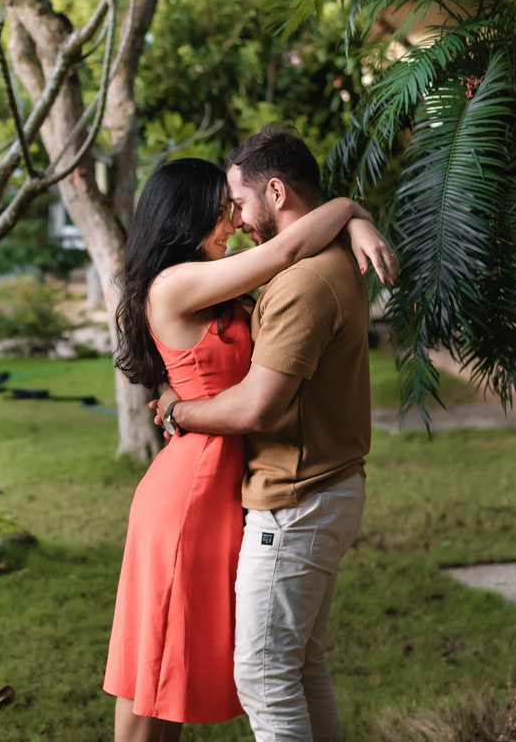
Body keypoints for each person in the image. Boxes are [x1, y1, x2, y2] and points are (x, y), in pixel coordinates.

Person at [106, 153, 396, 742]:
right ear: (184, 219)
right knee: (154, 668)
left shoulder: (213, 275)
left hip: (230, 485)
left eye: (233, 208)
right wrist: (350, 208)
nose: (234, 223)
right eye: (220, 212)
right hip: (189, 490)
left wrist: (353, 226)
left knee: (178, 668)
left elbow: (292, 246)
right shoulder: (175, 282)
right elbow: (286, 250)